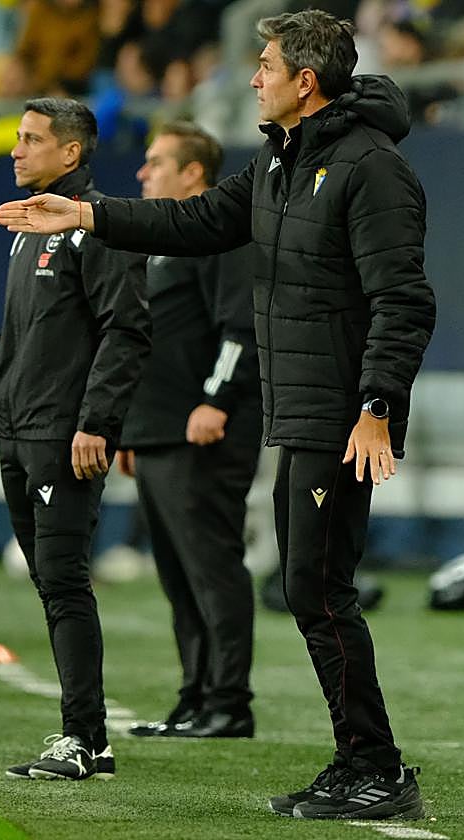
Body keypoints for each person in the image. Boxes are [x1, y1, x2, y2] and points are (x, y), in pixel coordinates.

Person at [0, 10, 435, 820]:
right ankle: (359, 760)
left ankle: (377, 767)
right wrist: (86, 214)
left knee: (318, 588)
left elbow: (402, 300)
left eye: (265, 65)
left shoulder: (370, 167)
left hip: (342, 412)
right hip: (300, 410)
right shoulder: (280, 159)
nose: (254, 76)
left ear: (306, 82)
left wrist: (376, 405)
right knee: (309, 587)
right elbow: (192, 223)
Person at [0, 97, 150, 781]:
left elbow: (126, 329)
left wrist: (96, 422)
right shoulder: (28, 228)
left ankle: (82, 739)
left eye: (30, 140)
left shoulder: (94, 228)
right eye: (17, 138)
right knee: (53, 584)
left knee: (65, 581)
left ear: (71, 152)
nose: (15, 150)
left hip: (62, 434)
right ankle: (90, 738)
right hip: (22, 431)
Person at [116, 121, 262, 740]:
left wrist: (215, 400)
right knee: (176, 575)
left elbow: (239, 327)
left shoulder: (221, 237)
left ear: (192, 172)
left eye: (156, 163)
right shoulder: (159, 243)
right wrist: (128, 426)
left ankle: (229, 701)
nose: (144, 174)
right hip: (157, 432)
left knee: (212, 566)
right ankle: (194, 695)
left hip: (202, 430)